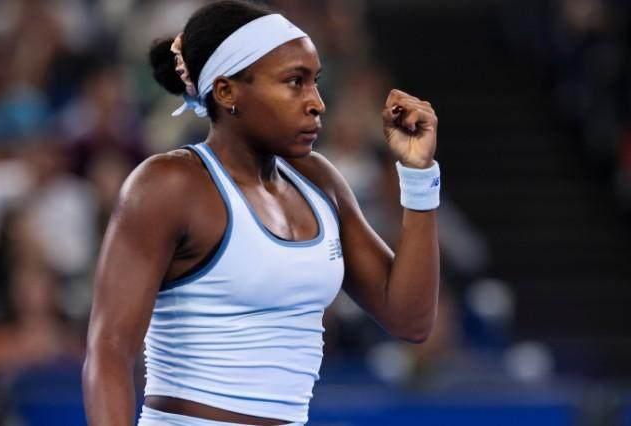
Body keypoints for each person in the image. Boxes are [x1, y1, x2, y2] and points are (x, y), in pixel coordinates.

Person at [82, 1, 441, 425]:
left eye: (315, 82)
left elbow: (411, 320)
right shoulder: (168, 185)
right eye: (295, 82)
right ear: (227, 92)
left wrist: (418, 176)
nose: (317, 103)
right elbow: (109, 350)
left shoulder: (319, 181)